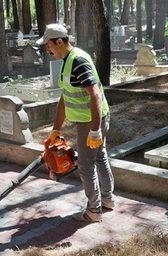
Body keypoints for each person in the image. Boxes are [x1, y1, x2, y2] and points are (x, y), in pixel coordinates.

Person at [37, 24, 115, 222]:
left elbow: (95, 95)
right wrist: (56, 128)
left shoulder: (78, 61)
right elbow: (65, 97)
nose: (47, 50)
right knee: (100, 157)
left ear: (60, 42)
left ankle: (94, 211)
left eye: (49, 45)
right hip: (92, 120)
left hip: (91, 121)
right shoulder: (66, 61)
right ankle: (107, 200)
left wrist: (95, 130)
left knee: (86, 165)